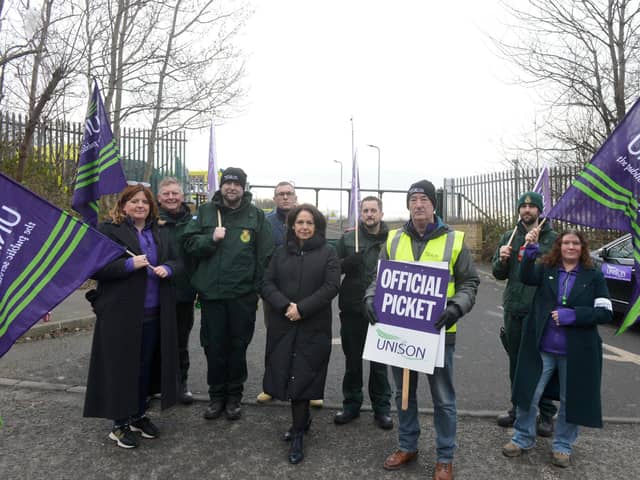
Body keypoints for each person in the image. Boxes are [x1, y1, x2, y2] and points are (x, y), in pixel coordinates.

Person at [365, 180, 480, 480]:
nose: (418, 204)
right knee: (403, 394)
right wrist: (369, 299)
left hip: (440, 334)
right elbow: (379, 280)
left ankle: (445, 458)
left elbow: (470, 282)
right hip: (400, 332)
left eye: (424, 199)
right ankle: (407, 445)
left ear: (433, 205)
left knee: (443, 399)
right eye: (413, 199)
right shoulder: (392, 240)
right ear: (407, 205)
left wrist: (456, 307)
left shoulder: (454, 240)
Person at [502, 229, 613, 468]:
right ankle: (522, 437)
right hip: (542, 347)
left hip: (576, 352)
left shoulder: (594, 275)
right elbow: (526, 277)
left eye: (575, 243)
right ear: (559, 247)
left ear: (582, 248)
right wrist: (529, 253)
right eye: (566, 243)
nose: (570, 247)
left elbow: (605, 312)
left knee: (570, 400)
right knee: (529, 394)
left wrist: (574, 315)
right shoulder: (547, 269)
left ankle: (562, 445)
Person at [83, 184, 180, 449]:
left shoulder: (159, 232)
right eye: (134, 201)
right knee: (121, 369)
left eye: (145, 202)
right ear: (123, 205)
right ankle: (119, 424)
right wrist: (128, 264)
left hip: (153, 314)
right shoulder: (109, 231)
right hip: (121, 315)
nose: (140, 206)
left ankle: (138, 415)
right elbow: (94, 269)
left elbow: (176, 260)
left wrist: (168, 269)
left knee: (143, 369)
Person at [181, 167, 273, 421]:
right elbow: (188, 244)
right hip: (212, 296)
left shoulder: (255, 216)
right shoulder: (206, 213)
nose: (231, 188)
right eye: (227, 184)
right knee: (213, 347)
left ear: (244, 188)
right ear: (221, 186)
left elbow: (264, 255)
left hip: (242, 297)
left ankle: (234, 397)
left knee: (237, 347)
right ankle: (216, 397)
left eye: (237, 184)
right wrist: (210, 238)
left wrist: (254, 289)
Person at [261, 204, 340, 464]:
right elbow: (267, 283)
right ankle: (302, 422)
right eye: (299, 222)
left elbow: (331, 286)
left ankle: (298, 433)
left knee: (304, 376)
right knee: (286, 371)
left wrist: (302, 309)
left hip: (312, 325)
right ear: (292, 226)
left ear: (316, 226)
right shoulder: (280, 252)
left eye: (309, 223)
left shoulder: (328, 252)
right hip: (284, 324)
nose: (304, 227)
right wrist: (286, 306)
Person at [492, 191, 557, 436]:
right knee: (516, 362)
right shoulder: (509, 236)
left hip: (539, 311)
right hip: (513, 308)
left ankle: (547, 413)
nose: (527, 210)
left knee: (543, 364)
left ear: (540, 211)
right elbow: (499, 273)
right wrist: (501, 259)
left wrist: (536, 246)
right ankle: (518, 407)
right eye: (523, 206)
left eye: (532, 206)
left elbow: (552, 270)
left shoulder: (553, 239)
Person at [333, 195, 392, 430]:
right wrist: (347, 263)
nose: (369, 214)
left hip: (381, 309)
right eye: (365, 210)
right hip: (352, 308)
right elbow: (331, 268)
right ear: (361, 214)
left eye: (373, 210)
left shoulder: (393, 240)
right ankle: (351, 405)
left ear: (381, 214)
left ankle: (382, 408)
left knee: (379, 363)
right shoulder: (348, 239)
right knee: (353, 361)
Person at [256, 181, 297, 404]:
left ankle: (305, 388)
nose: (285, 197)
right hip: (273, 293)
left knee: (303, 341)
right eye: (280, 194)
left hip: (303, 291)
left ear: (295, 197)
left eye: (289, 194)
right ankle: (271, 386)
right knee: (275, 338)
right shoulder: (266, 222)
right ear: (274, 198)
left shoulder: (305, 219)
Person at [157, 177, 197, 404]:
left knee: (181, 342)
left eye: (175, 193)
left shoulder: (194, 222)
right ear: (159, 197)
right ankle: (158, 384)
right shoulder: (151, 221)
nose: (171, 197)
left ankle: (181, 383)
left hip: (183, 292)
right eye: (166, 194)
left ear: (182, 196)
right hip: (156, 291)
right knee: (156, 340)